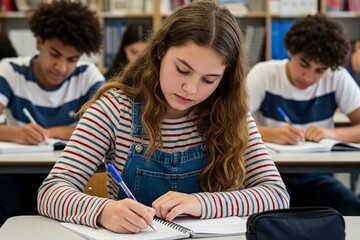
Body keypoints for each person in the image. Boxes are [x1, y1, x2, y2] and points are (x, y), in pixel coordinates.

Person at [38, 1, 289, 234]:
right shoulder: (114, 109)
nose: (190, 88)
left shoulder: (232, 113)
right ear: (159, 52)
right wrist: (104, 211)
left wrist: (201, 203)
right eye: (182, 70)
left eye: (209, 80)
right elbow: (51, 192)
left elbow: (276, 195)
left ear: (224, 79)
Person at [0, 0, 104, 227]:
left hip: (71, 176)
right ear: (39, 42)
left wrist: (48, 131)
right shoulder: (10, 70)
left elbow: (104, 129)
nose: (61, 67)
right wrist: (16, 133)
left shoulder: (88, 75)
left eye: (72, 59)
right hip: (17, 176)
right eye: (54, 54)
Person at [247, 13, 360, 215]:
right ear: (291, 50)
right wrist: (272, 134)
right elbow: (231, 123)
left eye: (320, 70)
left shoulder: (338, 77)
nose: (309, 77)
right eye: (304, 64)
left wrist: (330, 134)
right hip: (271, 175)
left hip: (319, 176)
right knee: (270, 217)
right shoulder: (264, 74)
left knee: (352, 209)